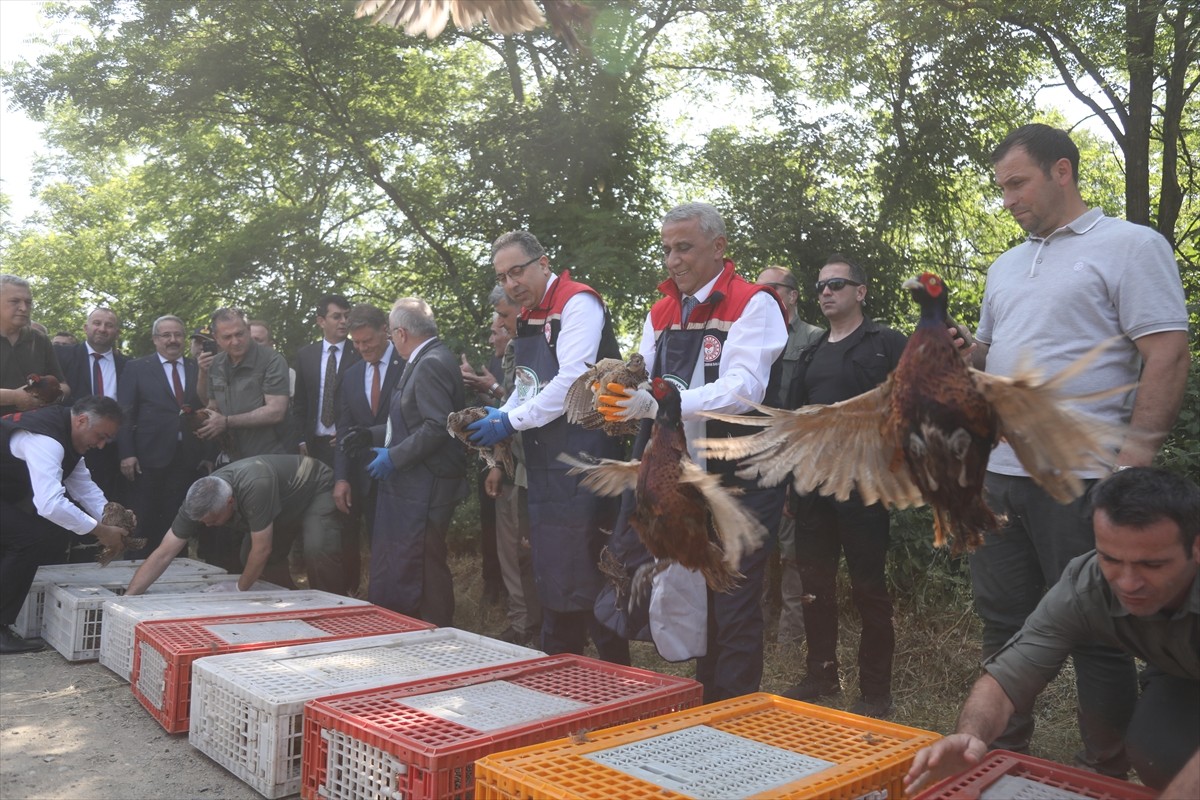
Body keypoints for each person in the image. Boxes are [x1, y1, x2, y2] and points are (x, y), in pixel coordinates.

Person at [965, 124, 1190, 774]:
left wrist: (1131, 467)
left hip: (1083, 478)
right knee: (1003, 623)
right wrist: (960, 354)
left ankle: (1106, 774)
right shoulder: (1007, 263)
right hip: (996, 477)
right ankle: (1001, 762)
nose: (1006, 198)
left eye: (1017, 183)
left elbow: (1166, 353)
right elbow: (987, 355)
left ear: (1062, 171)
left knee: (1102, 634)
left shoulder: (1129, 246)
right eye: (1000, 187)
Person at [906, 467, 1199, 797]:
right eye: (1111, 558)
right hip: (1182, 671)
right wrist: (971, 736)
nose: (1128, 583)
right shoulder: (1087, 583)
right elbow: (1007, 677)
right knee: (1158, 752)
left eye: (1153, 565)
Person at [597, 202, 789, 701]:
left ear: (718, 247)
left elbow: (745, 386)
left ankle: (737, 714)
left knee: (735, 595)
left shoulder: (753, 303)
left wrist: (667, 403)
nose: (672, 260)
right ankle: (706, 702)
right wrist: (618, 399)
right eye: (666, 250)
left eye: (684, 247)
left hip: (738, 471)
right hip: (678, 473)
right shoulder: (660, 310)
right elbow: (643, 383)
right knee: (694, 588)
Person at [468, 231, 629, 663]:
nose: (511, 282)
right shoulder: (527, 317)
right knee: (552, 571)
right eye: (503, 276)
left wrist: (510, 421)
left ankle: (619, 679)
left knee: (592, 569)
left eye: (517, 270)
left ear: (543, 263)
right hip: (544, 464)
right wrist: (497, 415)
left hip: (586, 457)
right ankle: (560, 669)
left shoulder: (579, 302)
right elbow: (527, 387)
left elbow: (573, 380)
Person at [779, 254, 907, 717]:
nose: (826, 292)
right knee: (814, 586)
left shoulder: (887, 342)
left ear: (861, 292)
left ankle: (876, 693)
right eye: (820, 286)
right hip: (813, 488)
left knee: (869, 589)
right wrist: (793, 487)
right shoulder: (811, 352)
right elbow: (797, 423)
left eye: (837, 283)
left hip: (866, 486)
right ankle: (821, 675)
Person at [359, 298, 466, 625]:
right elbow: (409, 419)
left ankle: (438, 634)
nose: (392, 341)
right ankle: (412, 627)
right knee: (411, 560)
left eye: (391, 335)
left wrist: (395, 456)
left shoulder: (431, 362)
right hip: (414, 483)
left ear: (401, 333)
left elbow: (437, 425)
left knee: (426, 563)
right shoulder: (426, 358)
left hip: (428, 485)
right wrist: (373, 435)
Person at [0, 396, 130, 653]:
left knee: (33, 534)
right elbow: (49, 504)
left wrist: (114, 521)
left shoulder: (67, 437)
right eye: (101, 436)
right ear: (82, 420)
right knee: (30, 537)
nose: (102, 445)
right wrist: (102, 532)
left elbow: (83, 487)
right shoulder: (46, 441)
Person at [124, 454, 346, 595]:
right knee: (247, 555)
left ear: (230, 502)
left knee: (317, 546)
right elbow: (164, 553)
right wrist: (128, 598)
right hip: (281, 504)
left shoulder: (255, 486)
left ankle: (335, 607)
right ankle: (291, 598)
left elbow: (263, 548)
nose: (209, 526)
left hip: (315, 489)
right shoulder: (197, 500)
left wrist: (239, 588)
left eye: (213, 520)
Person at [756, 265, 824, 646]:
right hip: (756, 449)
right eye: (758, 289)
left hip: (797, 450)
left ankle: (791, 634)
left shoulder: (814, 339)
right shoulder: (749, 336)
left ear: (793, 295)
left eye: (772, 289)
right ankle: (758, 624)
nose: (763, 295)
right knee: (757, 544)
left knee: (792, 549)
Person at [116, 315, 207, 559]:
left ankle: (176, 582)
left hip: (186, 459)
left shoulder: (196, 368)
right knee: (141, 523)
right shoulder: (136, 367)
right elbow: (124, 414)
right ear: (156, 339)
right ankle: (133, 581)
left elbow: (207, 409)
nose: (173, 340)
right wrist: (127, 453)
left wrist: (206, 453)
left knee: (178, 523)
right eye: (166, 335)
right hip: (146, 459)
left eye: (177, 334)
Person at [331, 303, 404, 596]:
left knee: (396, 545)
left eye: (368, 341)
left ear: (385, 331)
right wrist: (341, 478)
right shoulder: (351, 375)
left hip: (400, 470)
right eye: (356, 343)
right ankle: (363, 598)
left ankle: (395, 599)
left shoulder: (407, 363)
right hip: (361, 476)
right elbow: (344, 430)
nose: (362, 348)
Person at [52, 308, 129, 510]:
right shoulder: (62, 356)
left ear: (117, 332)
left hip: (111, 450)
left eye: (109, 325)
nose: (102, 329)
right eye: (97, 323)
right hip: (72, 445)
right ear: (86, 328)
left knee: (105, 500)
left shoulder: (129, 366)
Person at [461, 300, 510, 608]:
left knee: (513, 534)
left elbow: (517, 408)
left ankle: (516, 601)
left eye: (496, 333)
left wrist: (490, 386)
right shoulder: (495, 361)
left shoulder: (524, 357)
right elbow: (491, 409)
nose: (491, 340)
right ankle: (493, 585)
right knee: (490, 526)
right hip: (490, 457)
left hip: (512, 462)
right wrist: (476, 383)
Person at [196, 308, 292, 462]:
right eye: (227, 337)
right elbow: (211, 405)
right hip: (232, 457)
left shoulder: (271, 360)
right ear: (216, 338)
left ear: (248, 330)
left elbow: (276, 411)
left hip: (269, 456)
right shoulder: (216, 364)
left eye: (239, 334)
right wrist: (204, 421)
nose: (235, 341)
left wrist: (226, 422)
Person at [292, 294, 360, 465]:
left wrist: (351, 431)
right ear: (321, 321)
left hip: (348, 441)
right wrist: (300, 439)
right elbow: (300, 403)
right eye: (336, 316)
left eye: (347, 316)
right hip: (313, 443)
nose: (344, 321)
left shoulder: (360, 353)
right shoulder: (305, 355)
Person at [0, 275, 67, 416]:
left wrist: (44, 393)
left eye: (28, 302)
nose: (24, 308)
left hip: (32, 427)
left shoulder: (39, 340)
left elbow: (64, 387)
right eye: (15, 301)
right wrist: (14, 397)